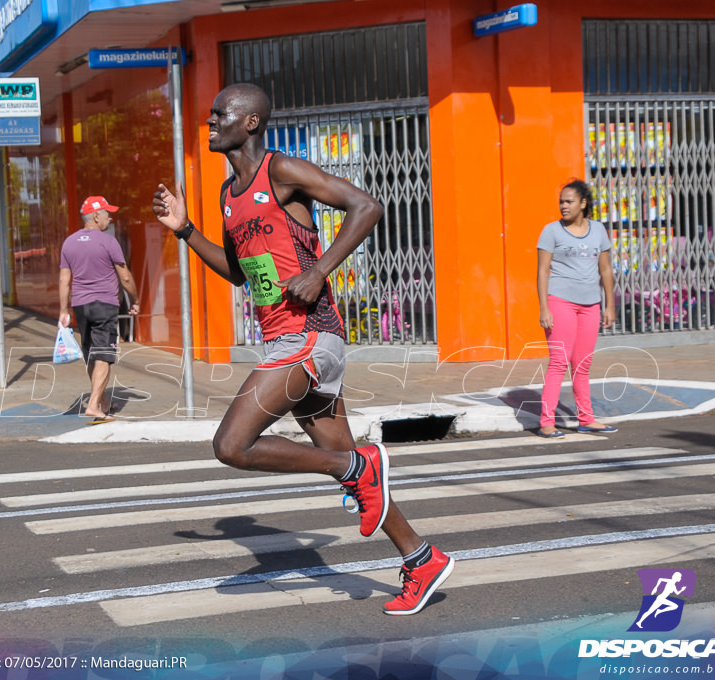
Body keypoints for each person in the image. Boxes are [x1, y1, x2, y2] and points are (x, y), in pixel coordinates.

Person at [152, 82, 453, 616]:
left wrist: (319, 270)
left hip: (310, 336)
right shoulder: (228, 195)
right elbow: (238, 274)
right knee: (361, 475)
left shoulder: (281, 171)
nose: (211, 121)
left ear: (250, 122)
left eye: (220, 114)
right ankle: (420, 558)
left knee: (232, 446)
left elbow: (367, 206)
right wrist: (186, 231)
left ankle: (352, 470)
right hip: (283, 339)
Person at [536, 179, 618, 438]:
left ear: (583, 204)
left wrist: (609, 305)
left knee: (582, 364)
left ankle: (586, 419)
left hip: (591, 305)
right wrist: (544, 308)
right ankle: (547, 422)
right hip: (560, 302)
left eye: (569, 201)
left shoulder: (598, 230)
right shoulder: (552, 231)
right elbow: (541, 271)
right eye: (561, 201)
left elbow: (605, 269)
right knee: (559, 362)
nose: (563, 206)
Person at [59, 195, 140, 422]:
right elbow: (124, 276)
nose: (110, 217)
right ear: (96, 216)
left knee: (91, 354)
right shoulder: (108, 241)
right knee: (103, 354)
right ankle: (94, 406)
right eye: (107, 213)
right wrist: (135, 299)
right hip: (104, 305)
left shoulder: (69, 242)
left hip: (81, 306)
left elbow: (64, 280)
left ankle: (102, 400)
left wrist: (63, 310)